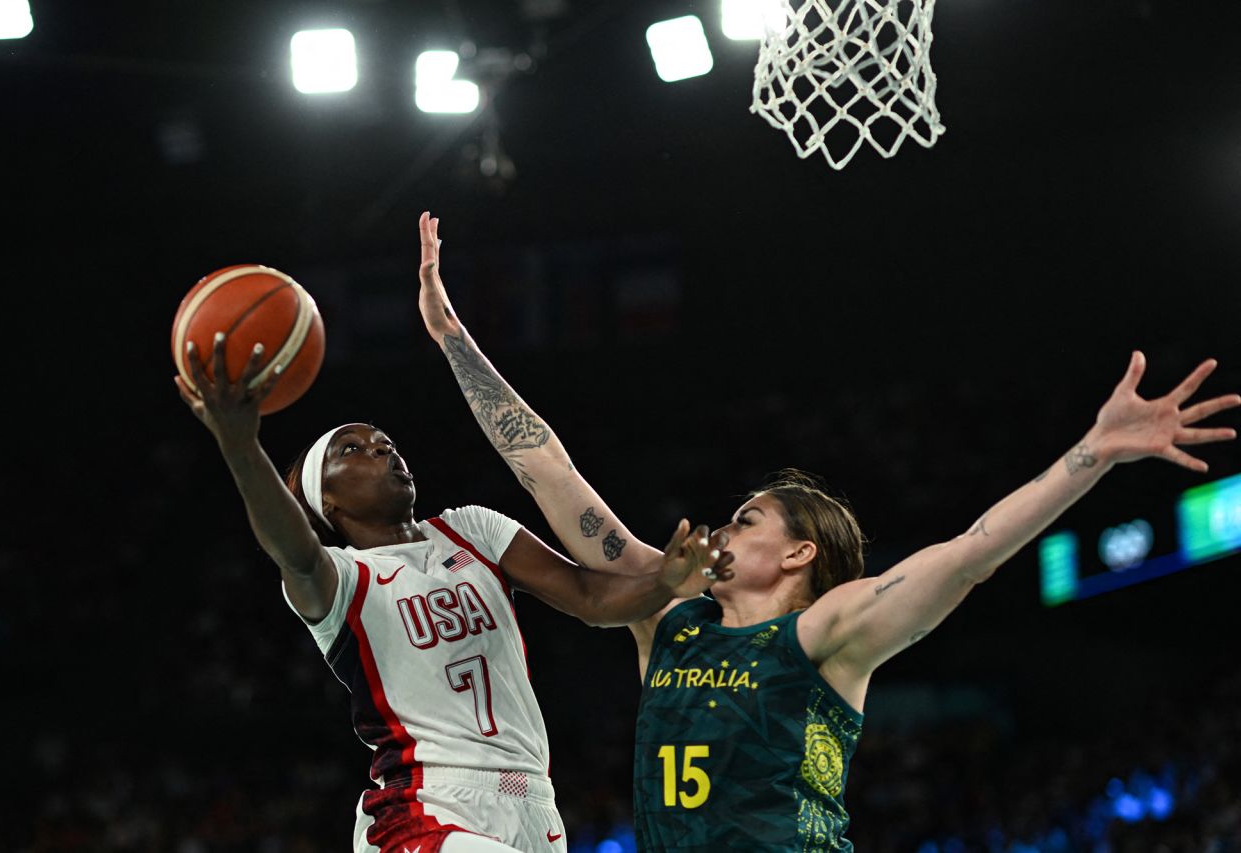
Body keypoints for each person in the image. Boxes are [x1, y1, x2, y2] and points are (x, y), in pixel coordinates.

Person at [414, 210, 1241, 851]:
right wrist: (454, 339)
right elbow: (549, 471)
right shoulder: (664, 614)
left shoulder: (829, 633)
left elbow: (972, 554)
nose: (719, 527)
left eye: (747, 517)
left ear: (800, 552)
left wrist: (1092, 451)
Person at [173, 330, 725, 853]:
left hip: (534, 802)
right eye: (354, 449)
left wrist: (663, 581)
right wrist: (242, 447)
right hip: (424, 806)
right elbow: (291, 548)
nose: (382, 448)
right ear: (329, 503)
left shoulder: (474, 529)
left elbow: (590, 597)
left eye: (383, 440)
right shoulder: (342, 580)